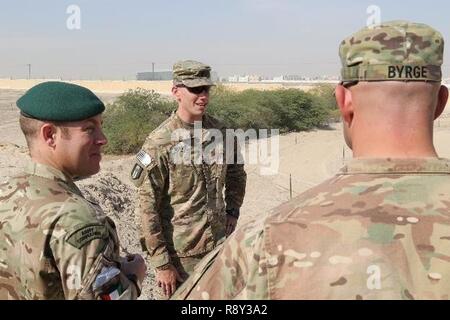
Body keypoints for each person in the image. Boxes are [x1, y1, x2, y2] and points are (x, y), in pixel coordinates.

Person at [173, 20, 450, 300]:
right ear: (440, 102)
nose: (203, 95)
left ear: (344, 101)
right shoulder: (164, 141)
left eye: (205, 89)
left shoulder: (268, 240)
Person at [0, 81, 146, 300]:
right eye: (89, 129)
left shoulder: (6, 192)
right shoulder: (78, 218)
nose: (103, 139)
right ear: (50, 135)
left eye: (100, 126)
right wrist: (133, 278)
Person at [130, 60, 247, 299]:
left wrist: (232, 211)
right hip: (181, 259)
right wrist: (162, 264)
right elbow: (146, 208)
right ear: (176, 92)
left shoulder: (222, 133)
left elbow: (236, 174)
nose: (203, 96)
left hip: (218, 248)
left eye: (206, 89)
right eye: (195, 89)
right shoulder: (159, 143)